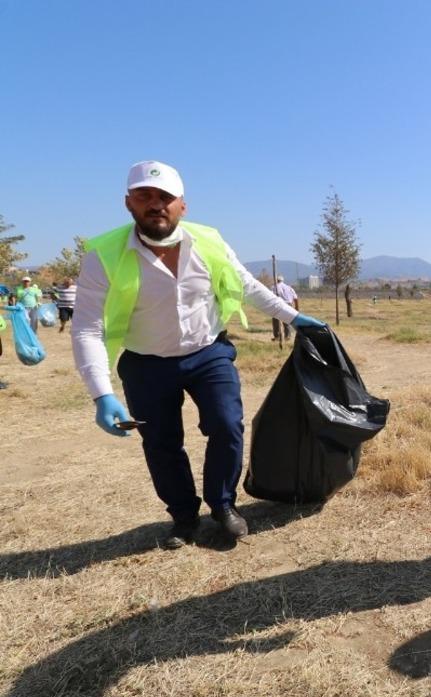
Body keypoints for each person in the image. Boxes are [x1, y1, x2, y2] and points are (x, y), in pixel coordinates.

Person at [72, 161, 326, 549]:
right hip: (145, 364)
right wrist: (101, 394)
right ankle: (183, 517)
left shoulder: (209, 242)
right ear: (128, 203)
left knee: (227, 425)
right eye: (144, 196)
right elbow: (87, 327)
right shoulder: (102, 256)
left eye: (165, 197)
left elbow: (247, 286)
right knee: (160, 442)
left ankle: (223, 505)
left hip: (208, 354)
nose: (155, 204)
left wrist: (293, 318)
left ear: (182, 206)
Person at [271, 275, 300, 341]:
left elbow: (271, 297)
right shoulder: (289, 287)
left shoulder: (274, 287)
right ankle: (287, 336)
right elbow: (295, 298)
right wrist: (296, 308)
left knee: (276, 321)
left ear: (276, 280)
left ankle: (277, 336)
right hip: (288, 305)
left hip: (279, 304)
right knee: (287, 321)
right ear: (282, 280)